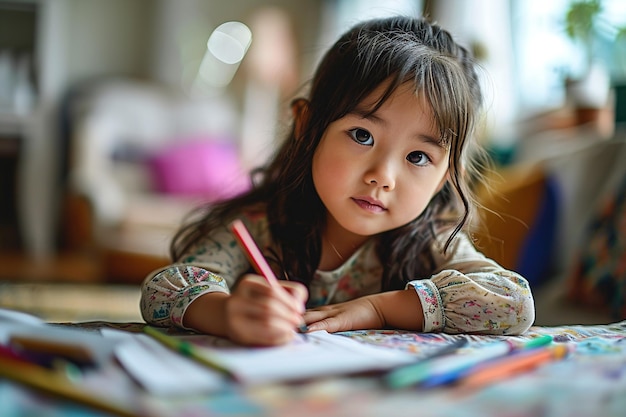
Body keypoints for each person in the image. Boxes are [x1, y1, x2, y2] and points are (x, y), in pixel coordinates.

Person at [140, 15, 535, 346]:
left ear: (445, 178)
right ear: (307, 126)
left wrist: (378, 308)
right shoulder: (263, 224)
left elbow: (514, 303)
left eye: (418, 157)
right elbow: (162, 291)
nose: (382, 176)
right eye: (363, 136)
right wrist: (226, 313)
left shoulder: (431, 239)